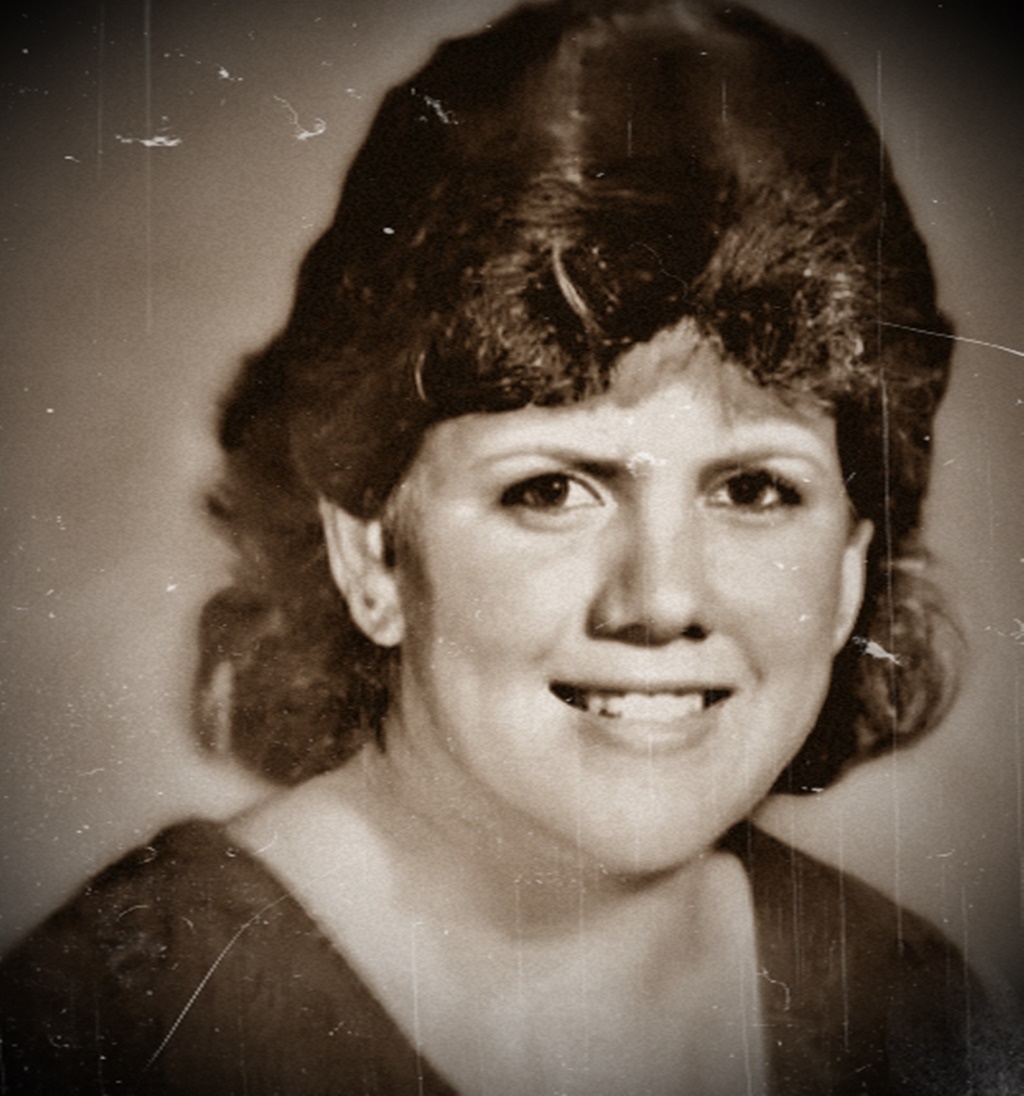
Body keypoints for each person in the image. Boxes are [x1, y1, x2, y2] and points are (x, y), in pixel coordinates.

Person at [0, 0, 1019, 1092]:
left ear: (853, 563)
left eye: (755, 489)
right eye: (550, 490)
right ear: (369, 552)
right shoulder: (119, 1029)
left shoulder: (907, 1011)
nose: (661, 597)